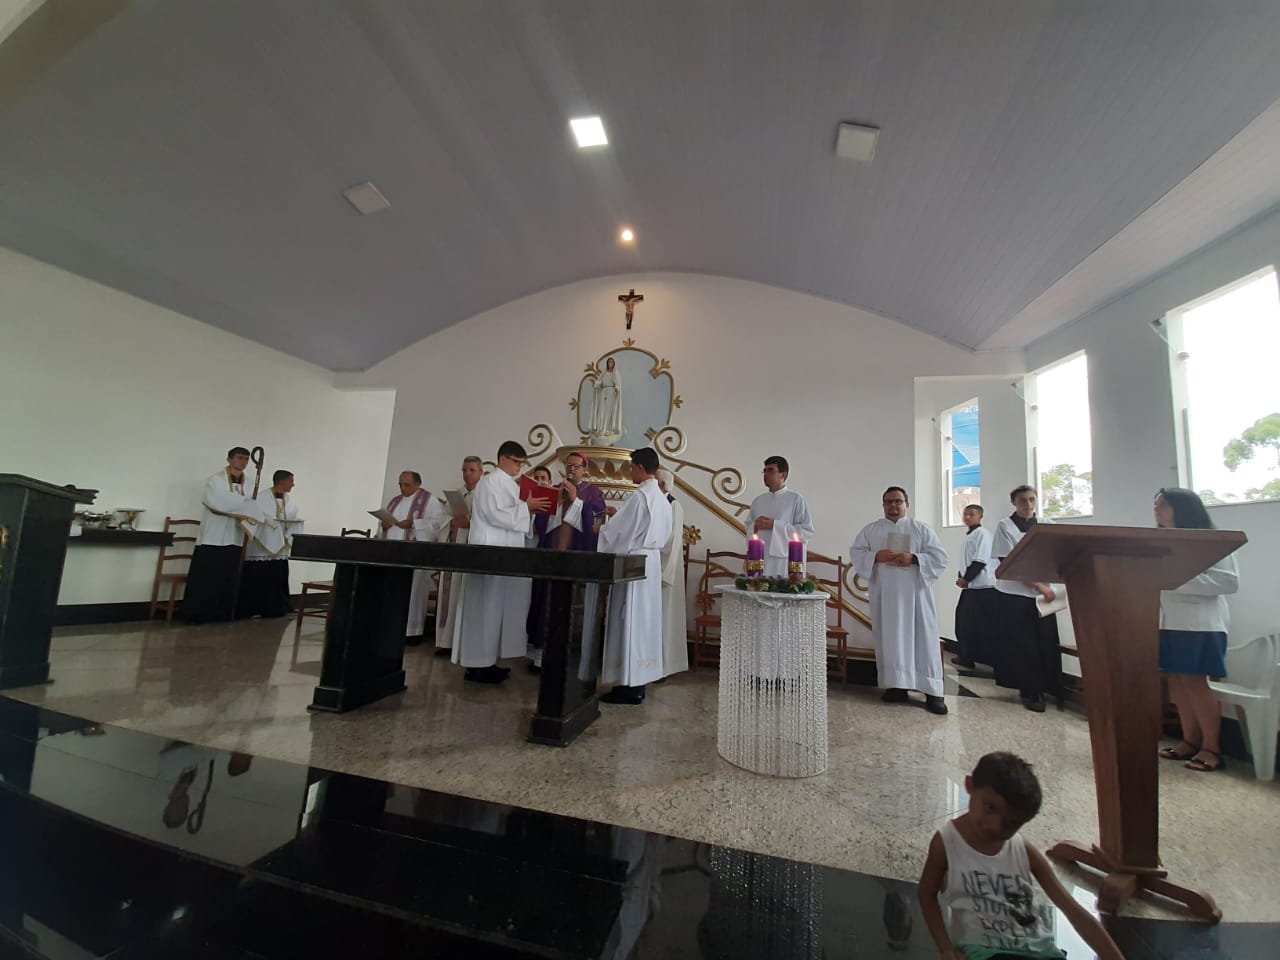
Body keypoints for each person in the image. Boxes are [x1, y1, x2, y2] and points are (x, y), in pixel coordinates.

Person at [919, 752, 1124, 960]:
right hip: (985, 953)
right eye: (990, 808)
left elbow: (1073, 910)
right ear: (970, 785)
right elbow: (926, 894)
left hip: (1042, 952)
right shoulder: (946, 842)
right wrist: (945, 949)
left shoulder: (1023, 851)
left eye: (1010, 823)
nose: (995, 826)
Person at [1154, 487, 1240, 772]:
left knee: (1195, 683)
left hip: (1200, 624)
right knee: (1178, 682)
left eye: (1162, 505)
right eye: (1155, 505)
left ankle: (1212, 748)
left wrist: (1174, 579)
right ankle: (1189, 741)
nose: (1156, 510)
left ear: (1182, 508)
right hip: (1171, 622)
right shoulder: (1163, 541)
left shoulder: (1211, 540)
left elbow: (1229, 582)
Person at [451, 441, 550, 683]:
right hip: (488, 553)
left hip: (504, 554)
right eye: (517, 462)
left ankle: (489, 661)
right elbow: (494, 515)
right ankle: (476, 665)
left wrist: (530, 510)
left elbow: (515, 516)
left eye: (522, 463)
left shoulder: (510, 484)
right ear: (503, 458)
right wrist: (526, 508)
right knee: (483, 608)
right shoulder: (489, 482)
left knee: (496, 609)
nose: (519, 467)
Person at [850, 486, 950, 715]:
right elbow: (856, 553)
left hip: (917, 597)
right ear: (883, 505)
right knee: (891, 639)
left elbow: (940, 558)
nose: (893, 506)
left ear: (907, 504)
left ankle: (933, 692)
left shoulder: (921, 529)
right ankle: (897, 686)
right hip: (886, 597)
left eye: (898, 501)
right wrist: (875, 556)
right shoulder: (872, 530)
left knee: (924, 640)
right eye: (888, 502)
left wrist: (913, 558)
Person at [597, 447, 673, 704]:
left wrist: (601, 531)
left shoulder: (640, 496)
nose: (630, 471)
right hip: (650, 563)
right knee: (644, 622)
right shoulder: (662, 498)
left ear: (640, 467)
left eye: (631, 467)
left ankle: (628, 685)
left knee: (628, 619)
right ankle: (638, 680)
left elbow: (620, 533)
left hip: (633, 562)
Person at [525, 452, 607, 669]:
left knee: (571, 607)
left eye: (576, 466)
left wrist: (577, 502)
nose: (571, 469)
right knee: (546, 604)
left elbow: (599, 524)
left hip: (576, 558)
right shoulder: (555, 490)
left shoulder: (595, 494)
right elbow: (541, 524)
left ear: (585, 469)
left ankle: (572, 658)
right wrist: (558, 505)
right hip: (552, 557)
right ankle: (541, 657)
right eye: (568, 465)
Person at [990, 485, 1061, 713]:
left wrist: (1047, 586)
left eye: (1032, 499)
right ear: (1014, 502)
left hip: (1043, 596)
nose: (1028, 505)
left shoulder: (1047, 525)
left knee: (1045, 642)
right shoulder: (1005, 526)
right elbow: (1009, 563)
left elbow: (1057, 557)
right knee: (1024, 644)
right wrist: (1039, 585)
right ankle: (1031, 690)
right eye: (1023, 500)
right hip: (1015, 595)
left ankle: (1047, 686)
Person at [184, 446, 262, 623]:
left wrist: (245, 505)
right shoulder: (216, 480)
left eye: (246, 459)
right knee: (207, 576)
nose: (243, 462)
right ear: (229, 459)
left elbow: (253, 505)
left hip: (235, 534)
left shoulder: (251, 484)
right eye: (239, 458)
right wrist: (244, 504)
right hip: (214, 533)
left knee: (228, 576)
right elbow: (217, 501)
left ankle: (222, 613)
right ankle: (199, 614)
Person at [379, 470, 444, 644]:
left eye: (406, 485)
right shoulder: (394, 501)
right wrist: (384, 525)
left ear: (418, 484)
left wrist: (415, 524)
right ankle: (391, 629)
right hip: (393, 555)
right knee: (393, 593)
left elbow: (438, 524)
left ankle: (412, 633)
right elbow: (385, 523)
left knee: (413, 594)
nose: (402, 488)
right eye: (400, 484)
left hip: (414, 556)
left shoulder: (430, 501)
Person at [433, 455, 483, 656]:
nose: (467, 474)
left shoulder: (484, 494)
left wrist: (470, 523)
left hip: (471, 553)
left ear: (481, 472)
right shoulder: (457, 495)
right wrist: (452, 522)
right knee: (449, 596)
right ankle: (445, 642)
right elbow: (442, 519)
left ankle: (462, 643)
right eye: (464, 470)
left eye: (472, 470)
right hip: (453, 551)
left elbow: (490, 521)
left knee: (464, 598)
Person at [237, 469, 301, 619]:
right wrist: (272, 522)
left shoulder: (288, 500)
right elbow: (256, 516)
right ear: (281, 482)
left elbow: (292, 515)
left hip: (280, 544)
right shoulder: (262, 498)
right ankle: (256, 607)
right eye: (291, 481)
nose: (293, 485)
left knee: (278, 575)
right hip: (262, 544)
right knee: (259, 576)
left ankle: (278, 606)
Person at [746, 455, 815, 578]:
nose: (765, 474)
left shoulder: (796, 500)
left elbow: (806, 531)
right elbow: (748, 528)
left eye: (770, 470)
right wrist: (755, 526)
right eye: (764, 471)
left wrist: (775, 525)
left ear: (783, 474)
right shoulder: (758, 501)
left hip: (785, 560)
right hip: (761, 559)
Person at [953, 504, 997, 670]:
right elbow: (967, 559)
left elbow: (980, 560)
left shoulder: (983, 534)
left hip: (983, 586)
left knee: (974, 624)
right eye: (965, 514)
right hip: (972, 586)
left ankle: (977, 658)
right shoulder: (970, 535)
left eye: (971, 514)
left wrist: (967, 579)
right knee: (964, 622)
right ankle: (966, 656)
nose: (967, 517)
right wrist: (961, 576)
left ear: (980, 516)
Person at [656, 468, 689, 677]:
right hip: (652, 566)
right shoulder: (656, 502)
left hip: (664, 569)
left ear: (664, 485)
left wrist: (662, 570)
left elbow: (672, 541)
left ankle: (663, 666)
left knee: (664, 618)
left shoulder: (674, 506)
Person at [591, 356, 623, 441]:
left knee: (609, 411)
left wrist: (617, 388)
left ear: (614, 364)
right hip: (604, 392)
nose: (610, 364)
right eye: (609, 362)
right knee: (602, 410)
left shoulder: (615, 373)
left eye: (611, 362)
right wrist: (596, 384)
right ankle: (600, 429)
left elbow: (618, 384)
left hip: (611, 392)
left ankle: (607, 428)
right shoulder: (604, 373)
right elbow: (600, 382)